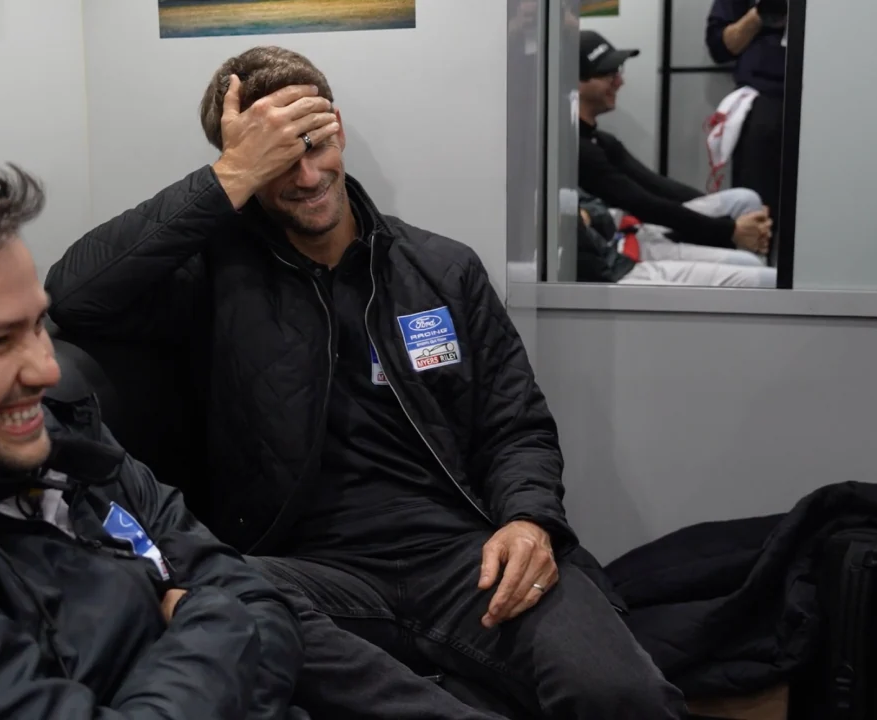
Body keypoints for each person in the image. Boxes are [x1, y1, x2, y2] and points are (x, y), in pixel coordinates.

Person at [46, 46, 688, 719]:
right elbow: (73, 294)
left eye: (315, 143)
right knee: (226, 594)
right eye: (275, 159)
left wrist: (529, 520)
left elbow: (515, 424)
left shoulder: (440, 268)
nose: (305, 174)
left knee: (622, 695)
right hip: (306, 571)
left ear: (340, 129)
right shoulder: (209, 276)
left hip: (466, 558)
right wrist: (229, 174)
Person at [0, 165, 496, 720]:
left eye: (38, 323)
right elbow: (239, 613)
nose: (44, 366)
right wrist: (217, 625)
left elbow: (250, 589)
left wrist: (199, 628)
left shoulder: (58, 438)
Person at [577, 30, 773, 256]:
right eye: (607, 74)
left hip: (640, 226)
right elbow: (642, 203)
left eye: (617, 72)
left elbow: (658, 186)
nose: (619, 82)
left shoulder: (602, 141)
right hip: (624, 243)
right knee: (757, 272)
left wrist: (737, 223)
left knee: (746, 200)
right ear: (575, 84)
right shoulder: (578, 148)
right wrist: (730, 230)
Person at [577, 190, 777, 287]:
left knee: (746, 199)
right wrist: (729, 229)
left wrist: (724, 224)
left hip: (622, 243)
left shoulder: (593, 143)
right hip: (614, 275)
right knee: (762, 278)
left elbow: (644, 189)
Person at [707, 0, 787, 219]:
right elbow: (720, 48)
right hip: (764, 102)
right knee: (755, 205)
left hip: (828, 97)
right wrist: (761, 14)